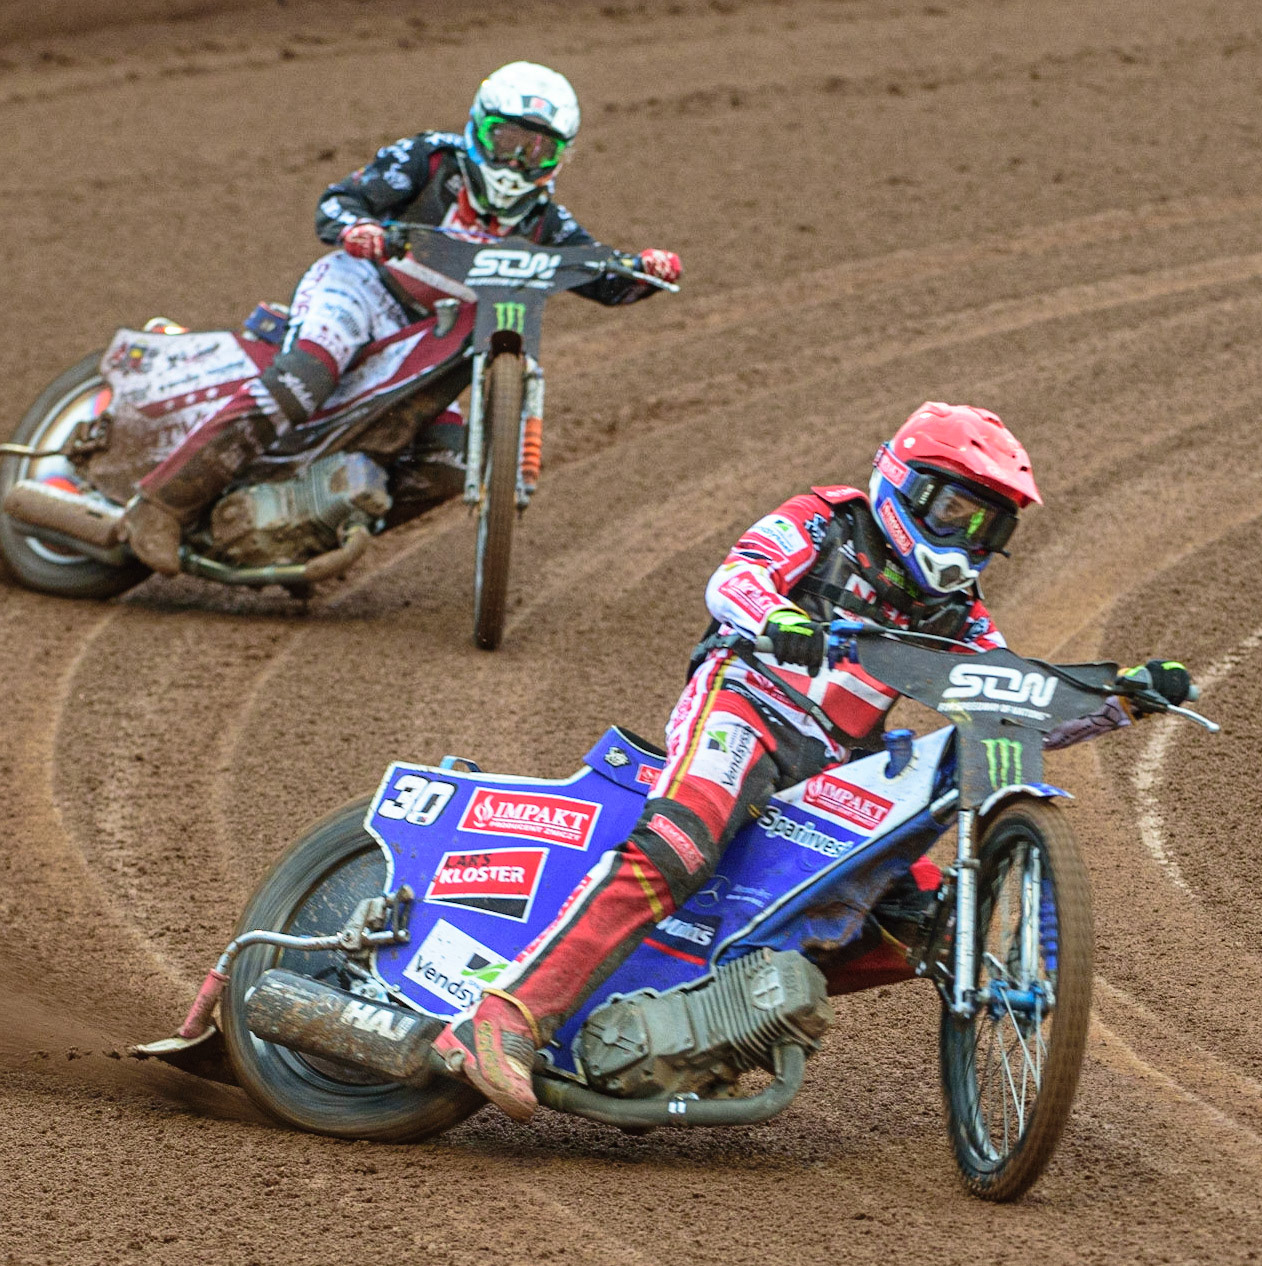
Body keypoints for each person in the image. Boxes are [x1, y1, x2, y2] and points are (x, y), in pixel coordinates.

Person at [430, 400, 1196, 1119]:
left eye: (987, 526)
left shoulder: (959, 614)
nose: (966, 538)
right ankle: (502, 1018)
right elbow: (734, 577)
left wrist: (1117, 701)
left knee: (921, 921)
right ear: (905, 484)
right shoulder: (825, 524)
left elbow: (1007, 707)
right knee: (679, 844)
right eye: (955, 510)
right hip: (747, 707)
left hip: (836, 766)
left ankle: (712, 1015)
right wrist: (779, 616)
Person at [120, 61, 684, 574]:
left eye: (537, 150)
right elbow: (339, 201)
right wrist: (356, 229)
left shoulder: (546, 224)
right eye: (506, 141)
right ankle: (162, 505)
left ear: (559, 157)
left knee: (448, 463)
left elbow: (604, 281)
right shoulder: (431, 160)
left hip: (434, 341)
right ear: (479, 128)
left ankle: (302, 533)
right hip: (362, 292)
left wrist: (647, 271)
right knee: (306, 376)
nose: (516, 162)